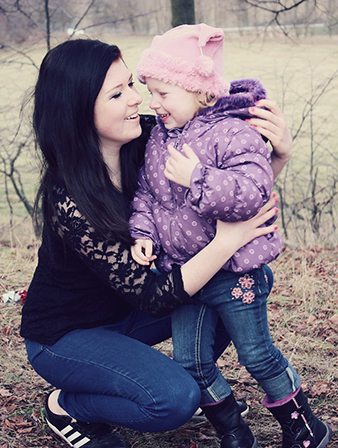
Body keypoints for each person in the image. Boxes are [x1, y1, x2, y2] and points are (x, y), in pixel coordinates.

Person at [20, 38, 291, 448]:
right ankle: (68, 404)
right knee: (172, 400)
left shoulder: (150, 137)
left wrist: (278, 157)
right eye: (117, 93)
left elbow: (228, 193)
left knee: (241, 285)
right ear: (78, 111)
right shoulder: (70, 201)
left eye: (131, 84)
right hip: (66, 336)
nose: (136, 99)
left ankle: (198, 378)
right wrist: (226, 241)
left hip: (127, 314)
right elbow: (153, 296)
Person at [129, 24, 332, 448]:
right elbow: (147, 194)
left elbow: (253, 191)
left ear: (199, 91)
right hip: (186, 274)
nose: (154, 104)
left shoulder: (233, 132)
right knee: (190, 361)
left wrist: (197, 177)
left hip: (235, 272)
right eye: (151, 92)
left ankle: (304, 426)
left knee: (257, 355)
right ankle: (233, 430)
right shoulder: (159, 139)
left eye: (163, 94)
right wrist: (143, 232)